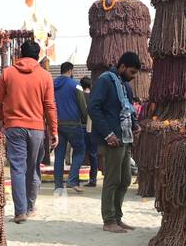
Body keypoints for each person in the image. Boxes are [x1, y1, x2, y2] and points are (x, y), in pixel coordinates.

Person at [0, 39, 58, 223]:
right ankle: (30, 207)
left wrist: (4, 119)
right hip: (37, 128)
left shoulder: (8, 73)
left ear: (20, 54)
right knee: (33, 167)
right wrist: (54, 130)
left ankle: (20, 212)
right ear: (38, 56)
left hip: (14, 127)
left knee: (17, 168)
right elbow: (50, 106)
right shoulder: (45, 76)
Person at [89, 52, 142, 233]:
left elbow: (128, 109)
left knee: (125, 179)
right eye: (132, 72)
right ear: (122, 67)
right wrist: (108, 134)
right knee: (112, 179)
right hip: (112, 139)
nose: (133, 76)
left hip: (125, 138)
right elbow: (93, 108)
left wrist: (135, 125)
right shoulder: (105, 81)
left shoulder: (125, 86)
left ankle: (117, 218)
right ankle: (109, 220)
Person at [53, 62, 90, 192]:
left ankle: (58, 185)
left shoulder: (53, 84)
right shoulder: (76, 85)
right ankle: (72, 180)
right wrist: (85, 119)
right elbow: (82, 105)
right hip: (74, 123)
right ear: (70, 71)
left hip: (57, 124)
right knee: (80, 150)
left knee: (59, 155)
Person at [77, 76, 100, 187]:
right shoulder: (94, 97)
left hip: (81, 127)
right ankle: (93, 179)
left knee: (79, 153)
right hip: (93, 128)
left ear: (81, 85)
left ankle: (75, 178)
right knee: (93, 155)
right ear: (90, 85)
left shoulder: (79, 96)